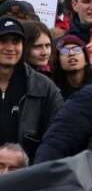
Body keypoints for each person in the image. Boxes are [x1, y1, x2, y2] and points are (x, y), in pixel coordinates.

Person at [0, 16, 63, 161]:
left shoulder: (45, 88)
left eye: (16, 42)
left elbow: (57, 137)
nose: (10, 48)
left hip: (26, 176)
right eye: (3, 41)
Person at [50, 34, 92, 99]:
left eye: (77, 50)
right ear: (58, 61)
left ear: (86, 59)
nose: (71, 53)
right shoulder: (53, 90)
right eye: (64, 51)